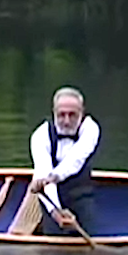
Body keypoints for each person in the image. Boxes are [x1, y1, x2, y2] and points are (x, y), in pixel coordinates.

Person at [29, 87, 100, 235]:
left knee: (88, 246)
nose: (66, 121)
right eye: (61, 115)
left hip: (82, 196)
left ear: (82, 113)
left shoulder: (90, 129)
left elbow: (76, 159)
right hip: (51, 198)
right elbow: (43, 171)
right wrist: (56, 211)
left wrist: (53, 177)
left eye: (72, 115)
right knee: (54, 248)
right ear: (54, 113)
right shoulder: (40, 135)